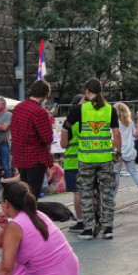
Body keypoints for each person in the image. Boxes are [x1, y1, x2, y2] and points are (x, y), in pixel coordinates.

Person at [65, 78, 121, 241]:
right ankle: (108, 229)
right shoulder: (110, 109)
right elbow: (116, 133)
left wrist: (64, 142)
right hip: (105, 158)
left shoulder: (80, 109)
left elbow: (66, 127)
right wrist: (116, 153)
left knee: (86, 193)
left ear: (87, 91)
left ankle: (88, 230)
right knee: (106, 193)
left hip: (86, 159)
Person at [10, 79, 55, 198]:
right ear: (45, 94)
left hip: (20, 156)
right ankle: (29, 210)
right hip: (35, 157)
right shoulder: (39, 112)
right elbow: (47, 138)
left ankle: (22, 210)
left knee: (24, 192)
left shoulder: (18, 107)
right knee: (33, 195)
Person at [114, 102, 138, 210]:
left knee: (115, 175)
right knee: (134, 172)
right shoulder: (129, 122)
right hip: (130, 151)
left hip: (117, 151)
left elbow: (113, 137)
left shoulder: (114, 123)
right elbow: (135, 135)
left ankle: (111, 198)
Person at [60, 93, 85, 232]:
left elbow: (63, 144)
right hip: (89, 159)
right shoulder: (89, 119)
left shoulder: (69, 123)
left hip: (72, 162)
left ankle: (81, 221)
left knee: (77, 193)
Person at [0, 97, 12, 193]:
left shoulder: (8, 115)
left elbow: (4, 128)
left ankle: (9, 187)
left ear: (3, 105)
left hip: (4, 144)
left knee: (6, 166)